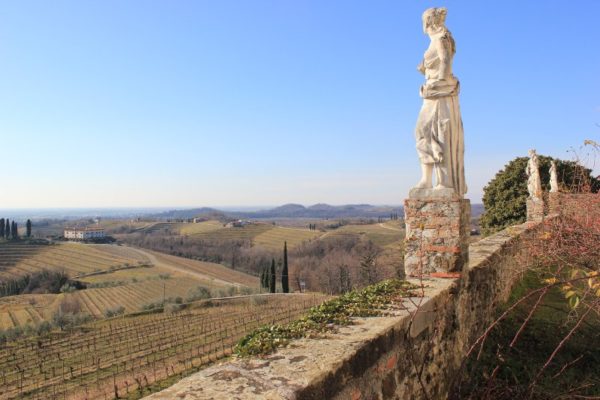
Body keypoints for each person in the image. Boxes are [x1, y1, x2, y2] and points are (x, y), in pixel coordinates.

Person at [413, 7, 466, 197]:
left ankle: (442, 182)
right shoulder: (440, 38)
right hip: (435, 90)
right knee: (424, 132)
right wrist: (426, 70)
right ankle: (427, 179)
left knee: (436, 132)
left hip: (438, 92)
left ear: (428, 22)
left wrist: (437, 83)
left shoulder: (441, 38)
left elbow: (445, 61)